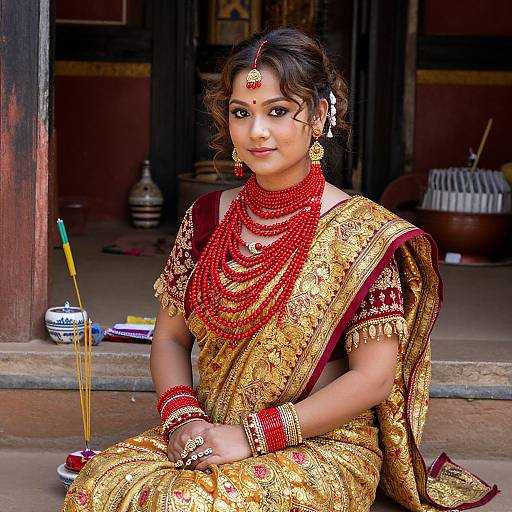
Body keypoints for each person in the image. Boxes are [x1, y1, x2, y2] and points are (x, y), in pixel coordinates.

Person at [61, 28, 498, 511]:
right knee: (99, 487)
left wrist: (251, 437)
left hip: (322, 444)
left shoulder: (359, 233)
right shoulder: (207, 217)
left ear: (319, 115)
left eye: (278, 111)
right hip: (210, 432)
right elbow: (169, 337)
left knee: (181, 504)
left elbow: (373, 380)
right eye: (240, 113)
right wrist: (183, 419)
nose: (256, 132)